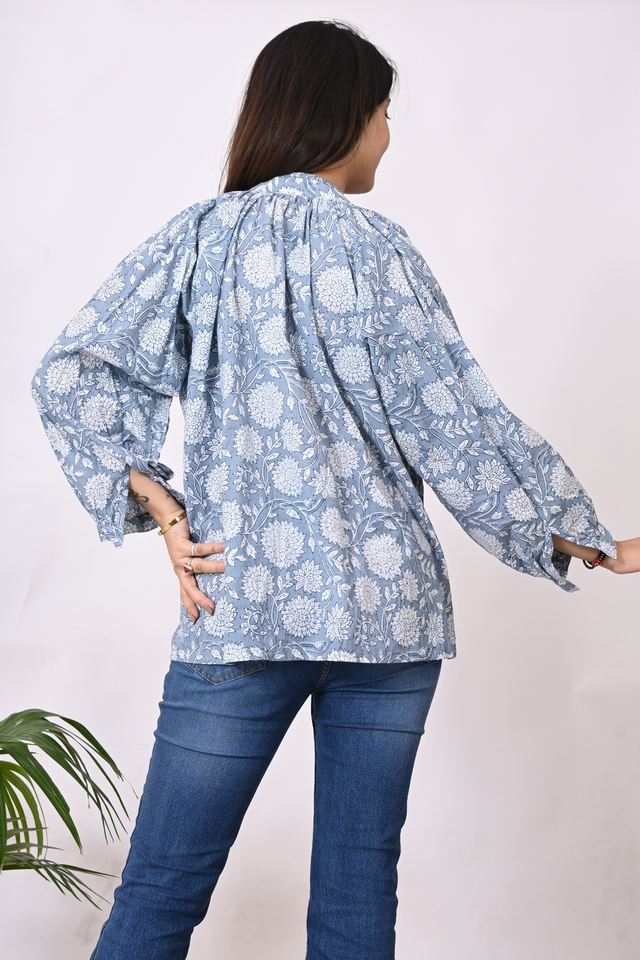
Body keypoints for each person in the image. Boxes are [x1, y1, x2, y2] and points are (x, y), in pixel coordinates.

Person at [29, 17, 637, 960]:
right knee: (358, 897)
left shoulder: (198, 239)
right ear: (346, 115)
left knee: (159, 892)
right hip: (387, 617)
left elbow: (72, 371)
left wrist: (163, 508)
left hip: (239, 601)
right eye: (385, 112)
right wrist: (581, 537)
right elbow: (455, 421)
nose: (388, 134)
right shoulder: (377, 250)